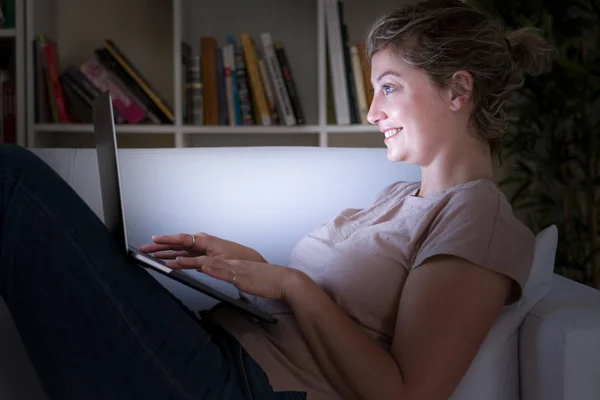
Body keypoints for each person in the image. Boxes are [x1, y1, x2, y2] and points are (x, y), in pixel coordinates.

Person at [0, 0, 556, 399]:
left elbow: (406, 393)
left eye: (389, 86)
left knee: (16, 183)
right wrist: (242, 265)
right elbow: (333, 315)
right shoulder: (399, 195)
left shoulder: (476, 219)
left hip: (236, 383)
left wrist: (292, 283)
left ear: (458, 90)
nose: (371, 113)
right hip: (219, 349)